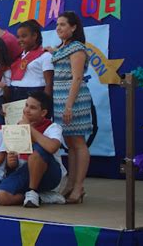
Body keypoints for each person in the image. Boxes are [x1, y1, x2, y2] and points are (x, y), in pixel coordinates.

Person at [0, 92, 67, 208]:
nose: (27, 110)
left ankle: (33, 192)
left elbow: (52, 147)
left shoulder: (53, 127)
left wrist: (28, 128)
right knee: (1, 196)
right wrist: (12, 162)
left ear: (43, 113)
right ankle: (41, 197)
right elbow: (13, 162)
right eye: (26, 105)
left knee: (38, 149)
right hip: (26, 171)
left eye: (32, 108)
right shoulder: (16, 127)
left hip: (50, 174)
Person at [51, 11, 92, 204]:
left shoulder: (77, 48)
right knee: (70, 145)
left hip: (73, 100)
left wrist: (69, 105)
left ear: (74, 27)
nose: (59, 28)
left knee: (78, 143)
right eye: (57, 24)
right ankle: (70, 184)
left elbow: (76, 78)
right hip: (60, 99)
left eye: (63, 24)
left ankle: (79, 187)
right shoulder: (62, 48)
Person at [9, 20, 54, 103]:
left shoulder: (45, 56)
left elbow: (49, 83)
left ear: (34, 36)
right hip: (14, 95)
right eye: (18, 37)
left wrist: (45, 104)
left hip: (34, 95)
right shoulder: (18, 57)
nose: (20, 40)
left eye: (24, 36)